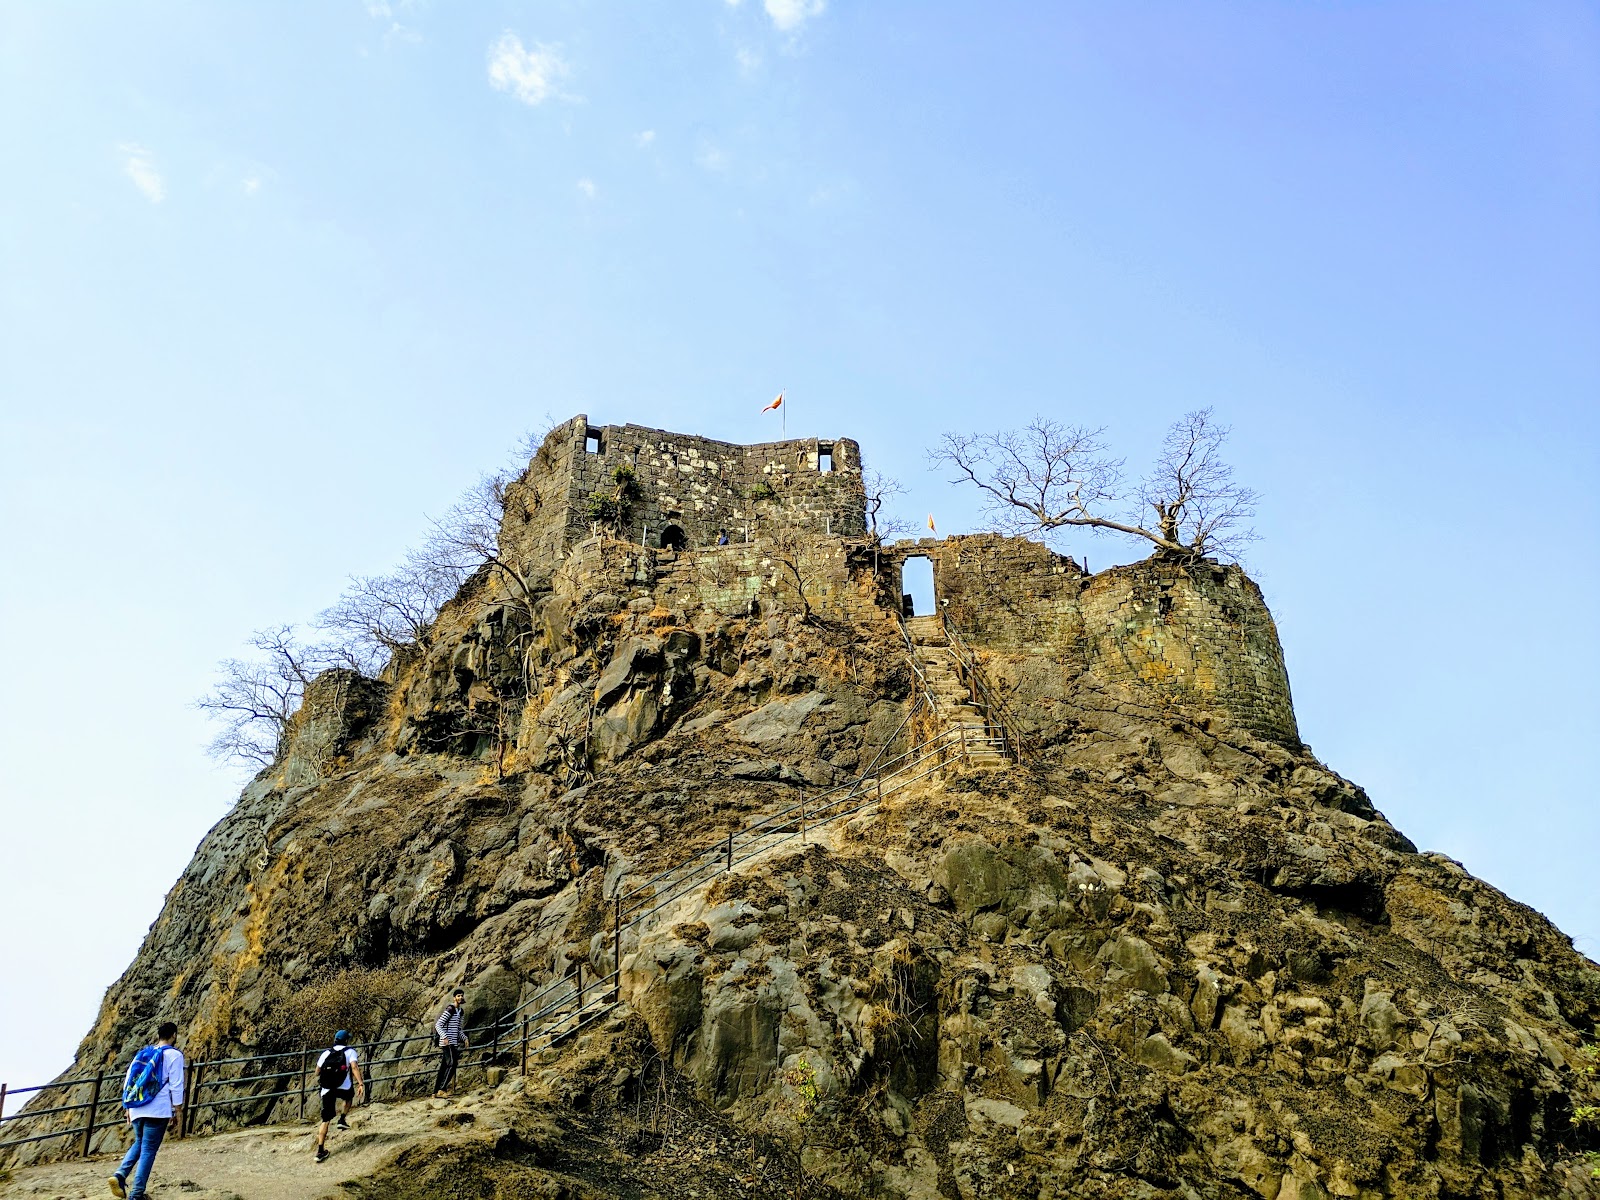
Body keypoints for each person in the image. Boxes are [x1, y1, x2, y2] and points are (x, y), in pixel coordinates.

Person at [108, 1021, 184, 1200]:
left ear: (158, 1035)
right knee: (149, 1149)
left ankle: (119, 1175)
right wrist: (177, 1109)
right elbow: (176, 1084)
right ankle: (136, 1194)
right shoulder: (174, 1055)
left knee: (140, 1143)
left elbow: (129, 1080)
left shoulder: (142, 1054)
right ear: (174, 1035)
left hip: (136, 1107)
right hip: (157, 1109)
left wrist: (127, 1107)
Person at [312, 1030, 364, 1163]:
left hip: (327, 1089)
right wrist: (360, 1083)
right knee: (348, 1097)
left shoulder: (326, 1053)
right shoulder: (350, 1052)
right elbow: (354, 1067)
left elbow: (317, 1072)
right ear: (346, 1040)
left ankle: (320, 1151)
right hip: (343, 1086)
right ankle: (342, 1119)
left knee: (326, 1120)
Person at [432, 988, 468, 1097]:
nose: (460, 997)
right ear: (454, 998)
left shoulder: (460, 1012)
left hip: (453, 1042)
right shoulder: (450, 1009)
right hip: (447, 1042)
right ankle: (442, 1089)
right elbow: (438, 1025)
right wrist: (444, 1036)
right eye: (458, 996)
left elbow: (458, 1029)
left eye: (461, 995)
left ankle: (435, 1092)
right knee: (453, 1063)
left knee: (444, 1067)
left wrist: (464, 1038)